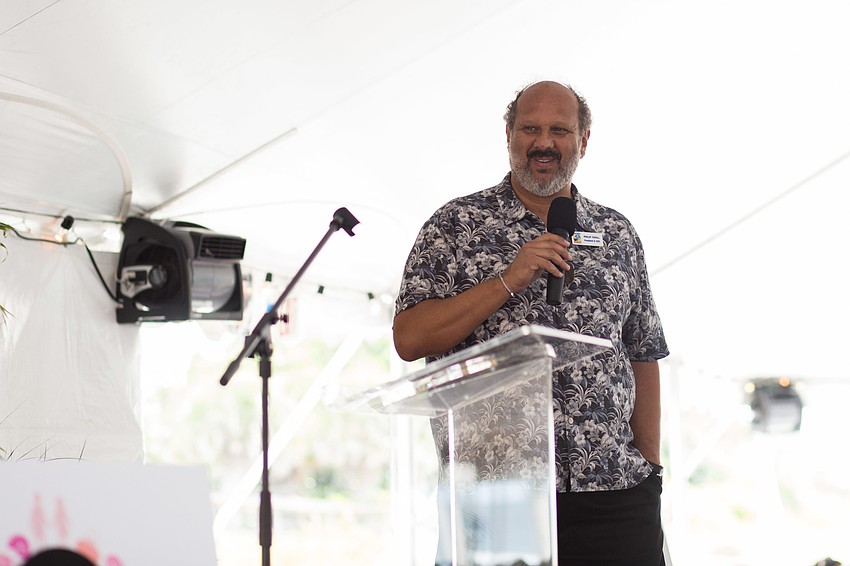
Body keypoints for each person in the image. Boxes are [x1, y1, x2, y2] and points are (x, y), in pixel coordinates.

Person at [393, 80, 669, 565]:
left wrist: (650, 465)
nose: (544, 142)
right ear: (508, 134)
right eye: (530, 129)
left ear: (583, 140)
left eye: (559, 130)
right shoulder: (455, 226)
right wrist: (509, 278)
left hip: (615, 491)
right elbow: (410, 337)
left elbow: (644, 351)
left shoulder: (618, 233)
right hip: (496, 494)